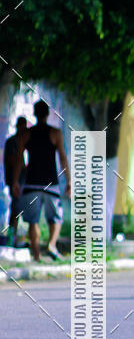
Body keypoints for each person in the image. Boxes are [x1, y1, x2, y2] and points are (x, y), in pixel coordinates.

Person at [11, 100, 71, 261]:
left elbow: (19, 159)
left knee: (32, 221)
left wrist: (16, 181)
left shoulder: (26, 134)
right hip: (51, 182)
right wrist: (69, 181)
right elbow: (63, 158)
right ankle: (51, 244)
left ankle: (37, 255)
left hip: (31, 183)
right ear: (47, 114)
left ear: (36, 114)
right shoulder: (55, 133)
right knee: (56, 218)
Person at [3, 116, 28, 246]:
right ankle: (12, 237)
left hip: (23, 180)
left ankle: (16, 236)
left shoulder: (24, 141)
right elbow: (12, 160)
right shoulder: (13, 141)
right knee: (16, 208)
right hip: (16, 180)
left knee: (21, 208)